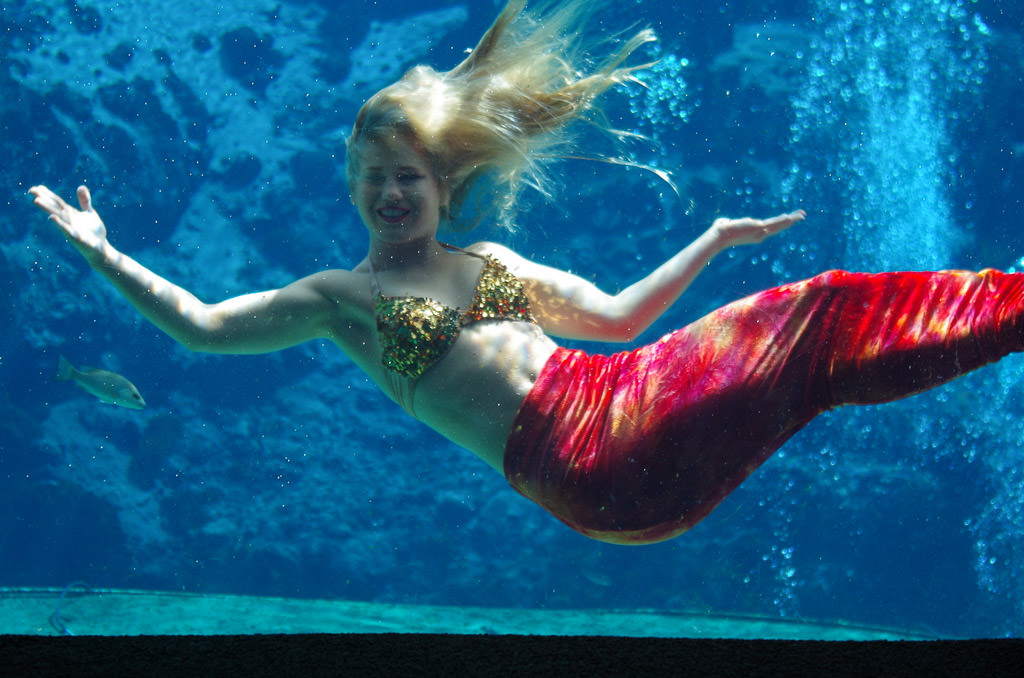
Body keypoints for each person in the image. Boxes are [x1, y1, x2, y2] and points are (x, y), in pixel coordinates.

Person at [29, 0, 1024, 545]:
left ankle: (1007, 305)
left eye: (407, 177)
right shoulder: (344, 302)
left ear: (442, 181)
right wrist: (103, 252)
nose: (390, 193)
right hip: (585, 469)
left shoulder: (490, 264)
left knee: (821, 328)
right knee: (816, 322)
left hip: (628, 411)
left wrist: (713, 242)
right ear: (349, 184)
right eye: (373, 178)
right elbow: (200, 326)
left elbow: (617, 319)